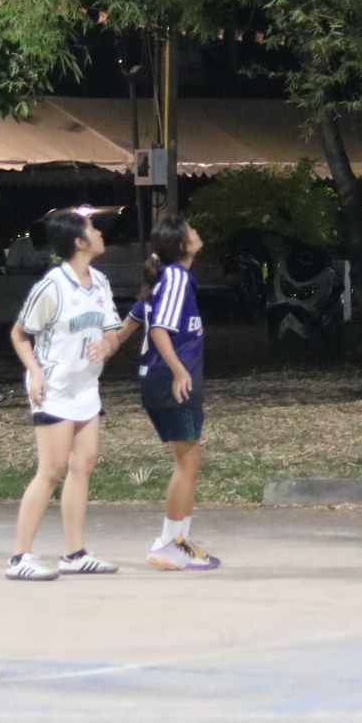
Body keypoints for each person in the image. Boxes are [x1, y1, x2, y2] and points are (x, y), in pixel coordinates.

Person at [3, 211, 126, 580]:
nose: (99, 233)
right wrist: (36, 372)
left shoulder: (99, 282)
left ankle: (74, 553)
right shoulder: (52, 286)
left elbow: (113, 332)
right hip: (53, 388)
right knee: (51, 470)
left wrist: (108, 344)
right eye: (92, 229)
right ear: (78, 242)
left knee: (83, 464)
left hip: (85, 387)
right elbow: (19, 334)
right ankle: (20, 557)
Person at [123, 216, 221, 572]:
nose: (197, 233)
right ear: (182, 245)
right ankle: (170, 543)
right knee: (188, 461)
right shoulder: (176, 277)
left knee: (189, 458)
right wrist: (180, 371)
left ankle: (176, 539)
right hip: (170, 379)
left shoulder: (163, 278)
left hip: (158, 378)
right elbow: (160, 330)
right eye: (192, 231)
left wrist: (107, 345)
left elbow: (132, 322)